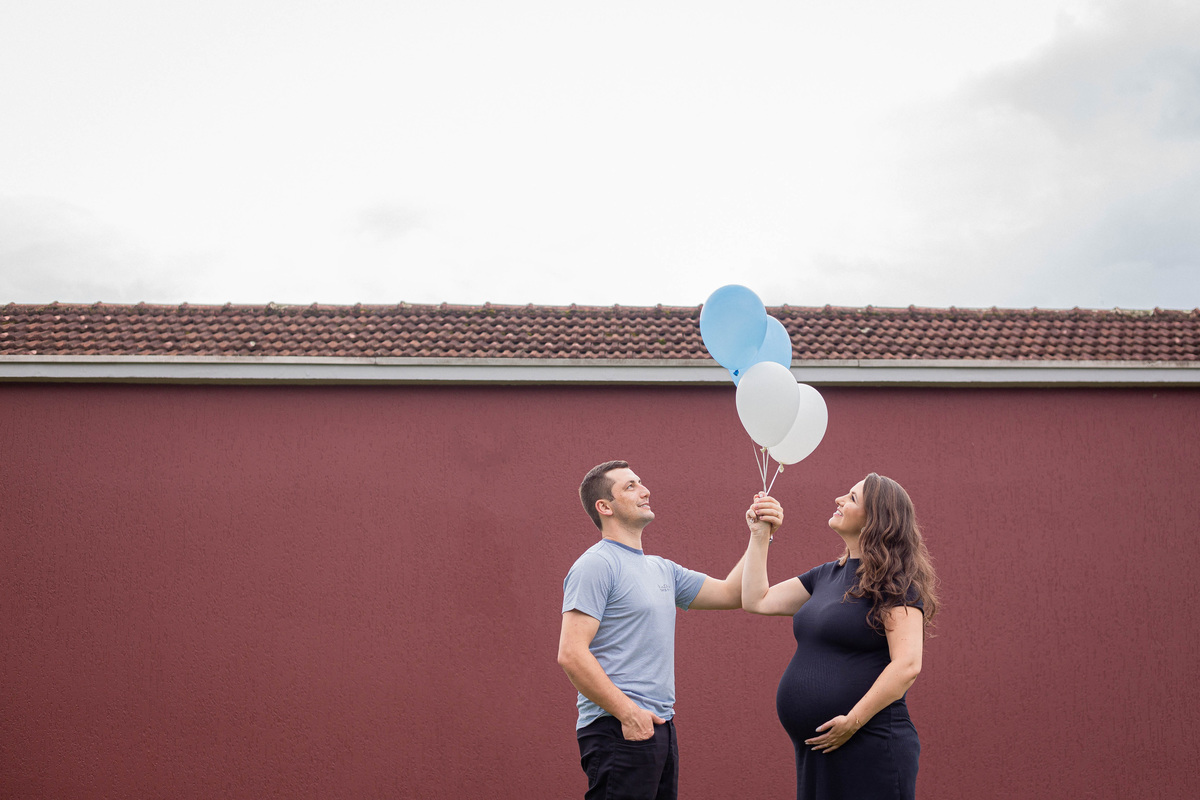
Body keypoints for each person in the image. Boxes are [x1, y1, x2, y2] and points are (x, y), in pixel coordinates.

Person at [558, 460, 783, 800]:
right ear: (604, 507)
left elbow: (732, 593)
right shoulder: (596, 564)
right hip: (617, 728)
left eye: (641, 482)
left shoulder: (661, 569)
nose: (645, 490)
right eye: (630, 486)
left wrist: (759, 535)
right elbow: (571, 653)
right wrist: (628, 713)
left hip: (658, 727)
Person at [741, 473, 938, 800]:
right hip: (820, 749)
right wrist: (761, 535)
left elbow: (907, 665)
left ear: (875, 519)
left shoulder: (894, 584)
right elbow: (755, 600)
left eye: (852, 497)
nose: (839, 500)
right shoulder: (825, 575)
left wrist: (853, 721)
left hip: (868, 742)